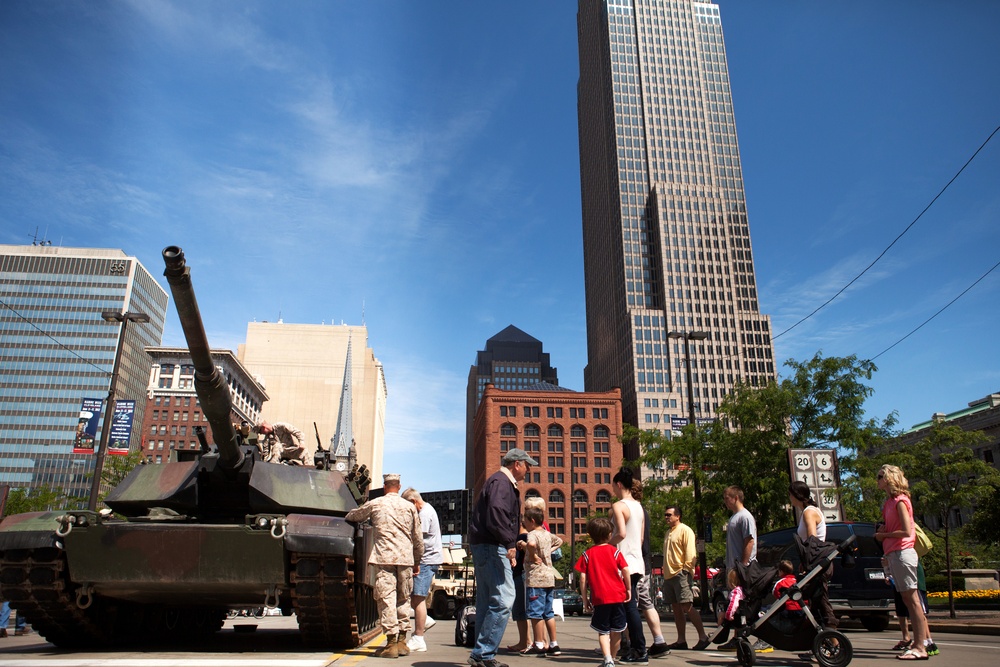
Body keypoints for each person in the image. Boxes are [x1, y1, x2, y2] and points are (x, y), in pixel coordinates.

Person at [467, 447, 536, 667]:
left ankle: (480, 655)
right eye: (527, 465)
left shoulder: (498, 481)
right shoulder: (502, 482)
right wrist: (509, 543)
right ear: (517, 464)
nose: (528, 470)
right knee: (505, 599)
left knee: (488, 602)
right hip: (491, 546)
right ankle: (483, 654)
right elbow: (497, 513)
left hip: (485, 545)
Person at [345, 473, 423, 659]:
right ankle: (403, 641)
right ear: (399, 485)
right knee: (403, 597)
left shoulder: (376, 503)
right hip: (405, 559)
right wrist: (417, 561)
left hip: (384, 558)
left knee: (386, 598)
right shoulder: (409, 507)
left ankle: (391, 643)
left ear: (385, 485)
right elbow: (418, 538)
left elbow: (353, 516)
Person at [875, 465, 930, 661]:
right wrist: (885, 532)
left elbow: (907, 531)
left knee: (913, 600)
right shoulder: (889, 503)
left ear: (890, 479)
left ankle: (920, 646)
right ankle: (916, 644)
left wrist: (884, 534)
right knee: (907, 600)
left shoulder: (900, 501)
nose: (878, 480)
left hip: (903, 552)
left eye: (880, 476)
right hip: (893, 553)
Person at [719, 486, 771, 653]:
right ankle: (738, 638)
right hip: (734, 568)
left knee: (748, 604)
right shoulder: (735, 517)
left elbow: (749, 541)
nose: (725, 501)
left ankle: (765, 638)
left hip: (743, 568)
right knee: (738, 605)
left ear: (735, 498)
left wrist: (742, 565)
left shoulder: (745, 516)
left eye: (727, 498)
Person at [576, 516, 632, 667]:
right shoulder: (614, 552)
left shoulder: (587, 554)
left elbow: (582, 578)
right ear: (609, 534)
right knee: (617, 629)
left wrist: (585, 597)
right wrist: (628, 588)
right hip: (618, 595)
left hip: (600, 598)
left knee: (603, 631)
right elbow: (625, 570)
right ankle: (612, 659)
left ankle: (607, 658)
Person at [609, 469, 647, 664]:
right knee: (629, 607)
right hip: (637, 561)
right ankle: (634, 648)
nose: (613, 490)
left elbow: (621, 534)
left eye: (614, 486)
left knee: (629, 607)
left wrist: (606, 544)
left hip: (623, 563)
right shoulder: (639, 507)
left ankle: (639, 649)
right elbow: (639, 538)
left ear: (619, 485)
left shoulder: (619, 506)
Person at [789, 481, 837, 631]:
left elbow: (812, 539)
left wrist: (808, 560)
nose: (789, 498)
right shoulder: (808, 511)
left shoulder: (809, 512)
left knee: (822, 600)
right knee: (814, 603)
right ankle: (819, 641)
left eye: (790, 494)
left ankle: (834, 641)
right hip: (813, 561)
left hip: (818, 562)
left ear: (796, 495)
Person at [401, 487, 444, 653]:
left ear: (413, 502)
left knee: (418, 598)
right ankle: (424, 621)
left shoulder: (424, 514)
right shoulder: (426, 511)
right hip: (425, 560)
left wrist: (415, 561)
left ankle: (419, 637)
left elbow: (419, 540)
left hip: (425, 561)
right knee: (415, 596)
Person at [661, 505, 709, 650]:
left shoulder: (685, 530)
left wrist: (686, 569)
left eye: (669, 515)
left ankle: (703, 637)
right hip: (669, 575)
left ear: (678, 516)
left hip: (680, 573)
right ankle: (681, 640)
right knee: (676, 608)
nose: (666, 517)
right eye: (665, 515)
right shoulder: (668, 532)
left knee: (686, 605)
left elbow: (690, 552)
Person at [629, 481, 669, 657]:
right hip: (643, 562)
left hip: (636, 563)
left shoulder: (634, 510)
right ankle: (658, 641)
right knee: (644, 602)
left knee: (632, 603)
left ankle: (629, 642)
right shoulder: (642, 510)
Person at [521, 505, 564, 656]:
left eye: (525, 520)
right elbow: (559, 541)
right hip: (549, 577)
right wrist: (548, 552)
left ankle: (538, 644)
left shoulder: (532, 534)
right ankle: (554, 644)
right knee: (548, 612)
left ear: (532, 521)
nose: (523, 523)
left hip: (536, 578)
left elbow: (531, 544)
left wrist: (532, 555)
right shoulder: (547, 534)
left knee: (535, 612)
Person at [771, 560, 805, 631]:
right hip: (800, 609)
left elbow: (776, 594)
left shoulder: (780, 583)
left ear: (781, 571)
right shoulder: (797, 581)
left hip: (787, 610)